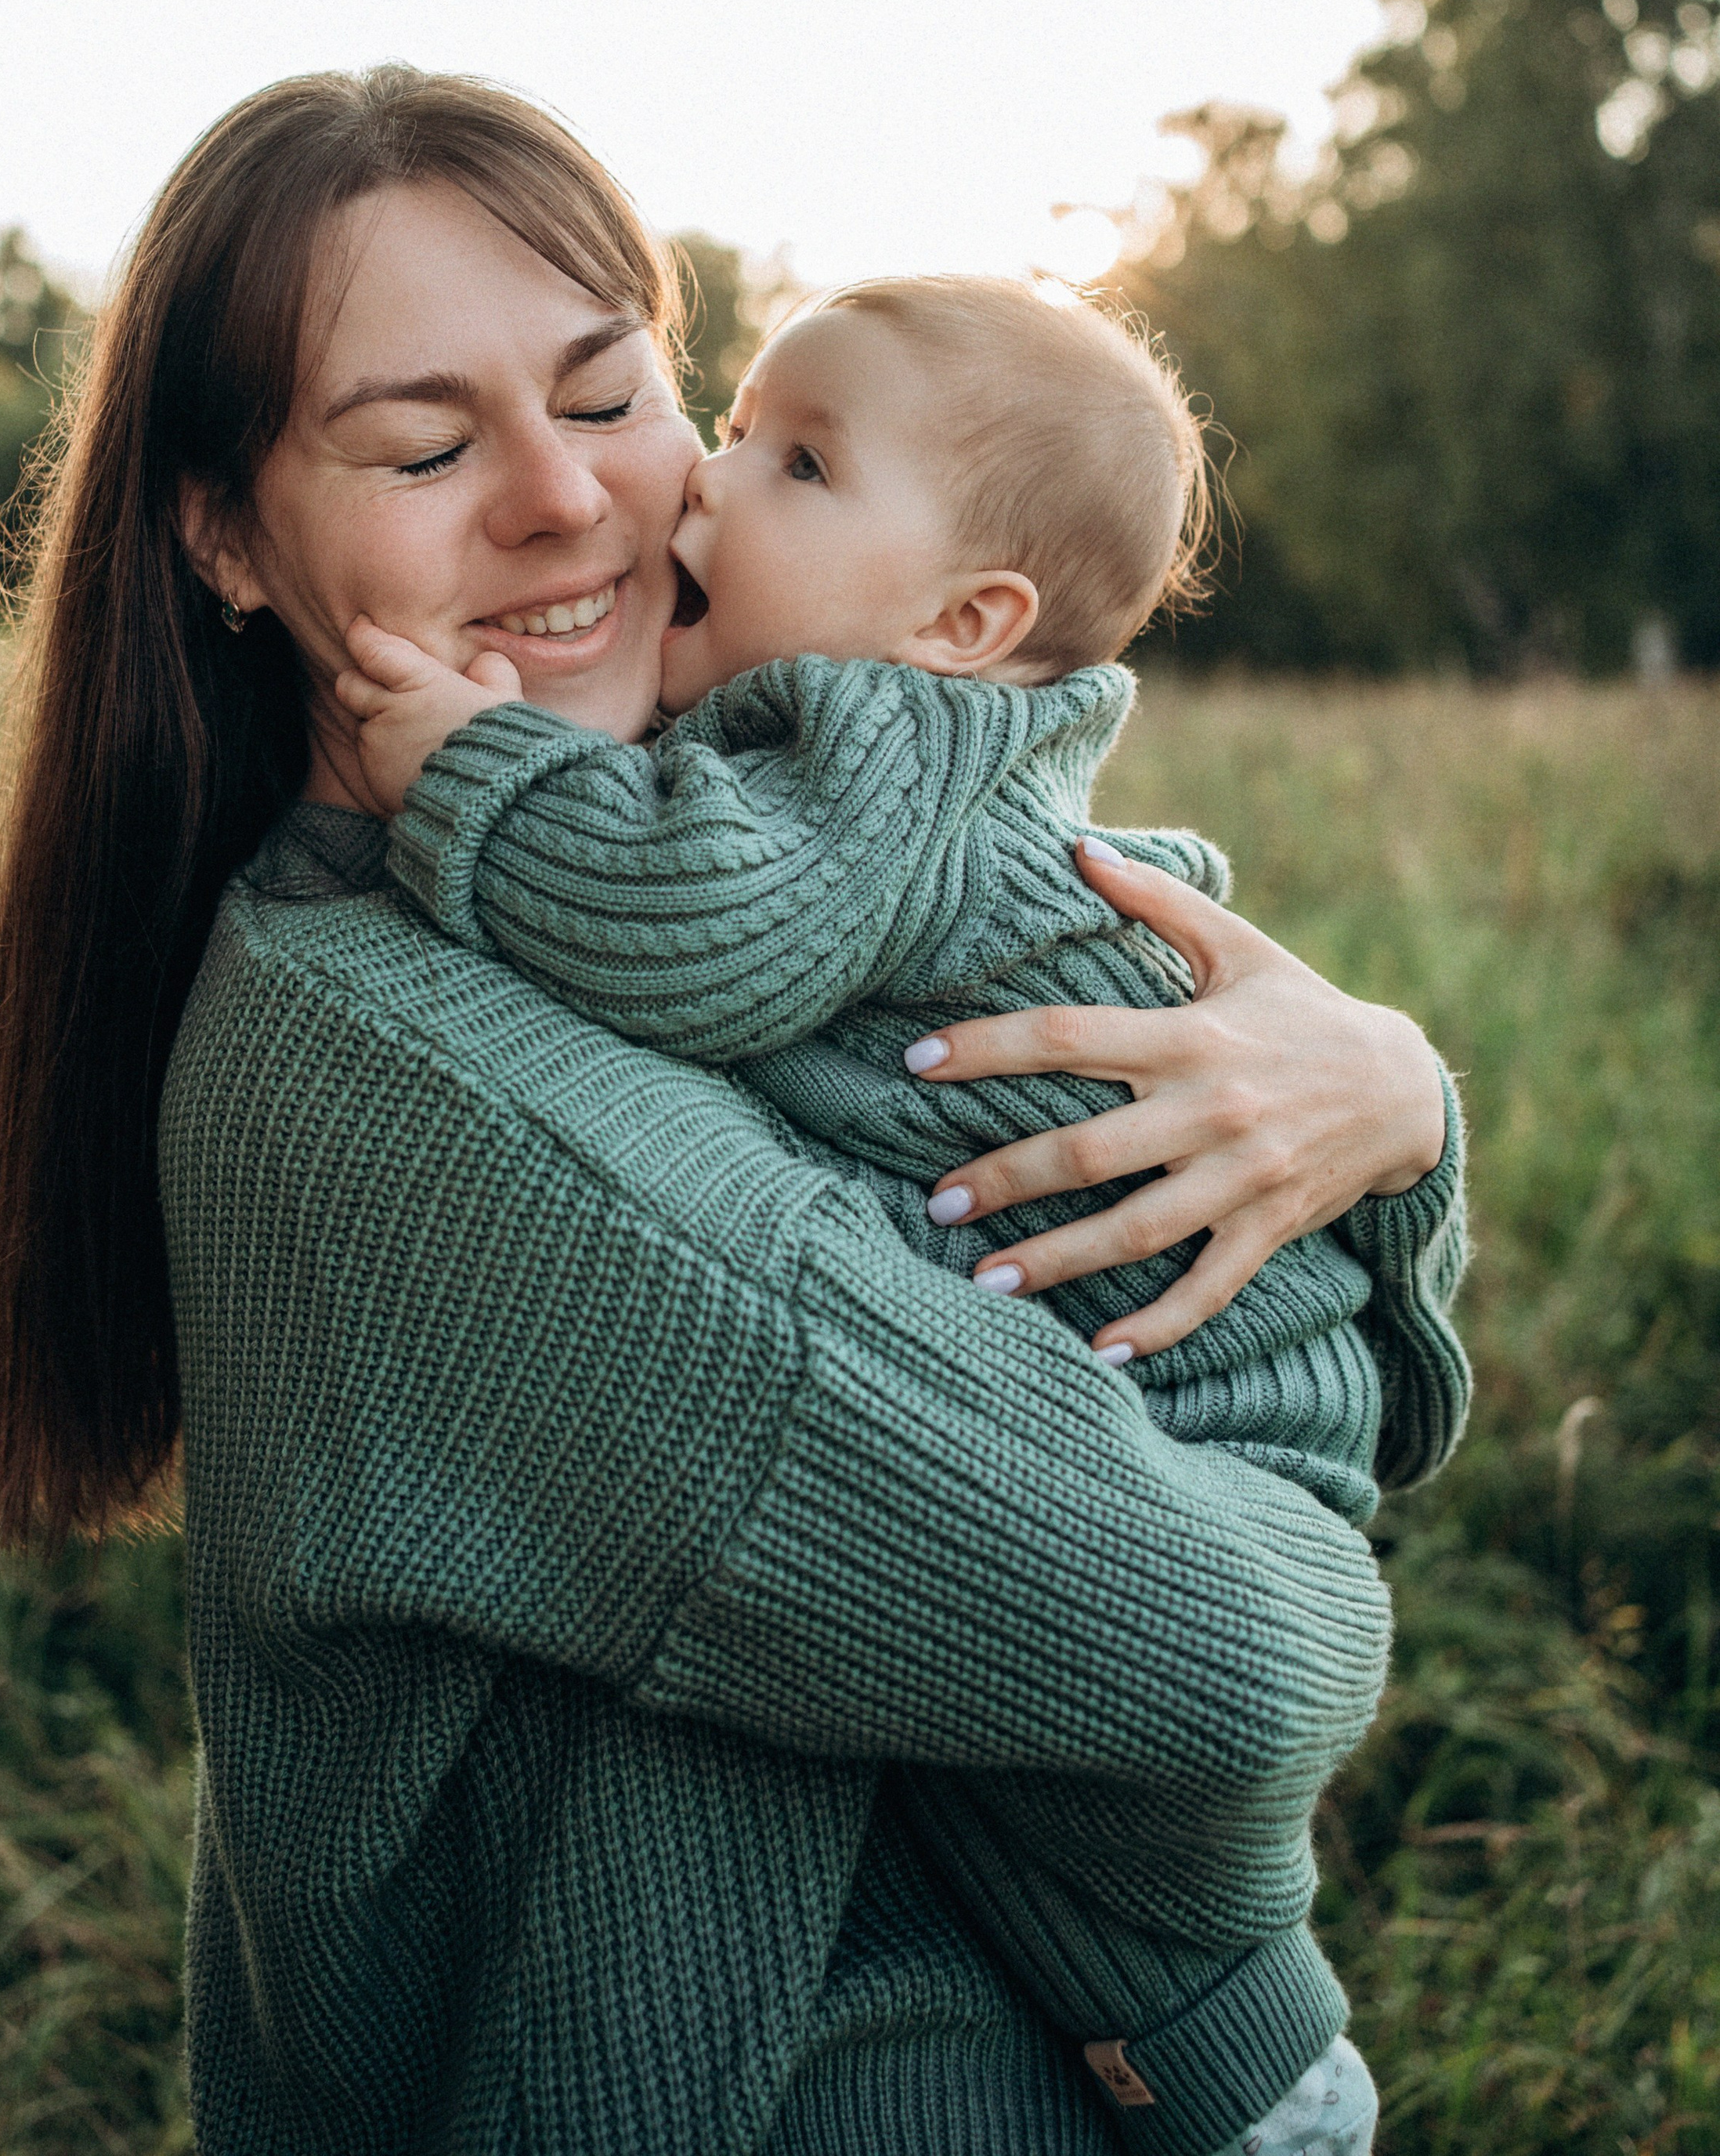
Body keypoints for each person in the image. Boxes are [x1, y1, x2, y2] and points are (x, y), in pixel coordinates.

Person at [0, 67, 1459, 2156]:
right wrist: (1309, 1511)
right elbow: (1237, 1671)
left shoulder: (695, 862)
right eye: (424, 445)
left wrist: (1381, 1096)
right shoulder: (409, 1076)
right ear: (221, 538)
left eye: (614, 392)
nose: (565, 499)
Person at [327, 270, 1470, 2156]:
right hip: (1170, 1365)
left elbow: (706, 936)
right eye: (735, 423)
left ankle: (1253, 2077)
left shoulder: (880, 741)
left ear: (961, 623)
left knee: (1095, 1822)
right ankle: (1235, 2071)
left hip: (1206, 1391)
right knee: (1028, 1799)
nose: (705, 483)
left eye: (799, 462)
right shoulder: (863, 737)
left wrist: (476, 777)